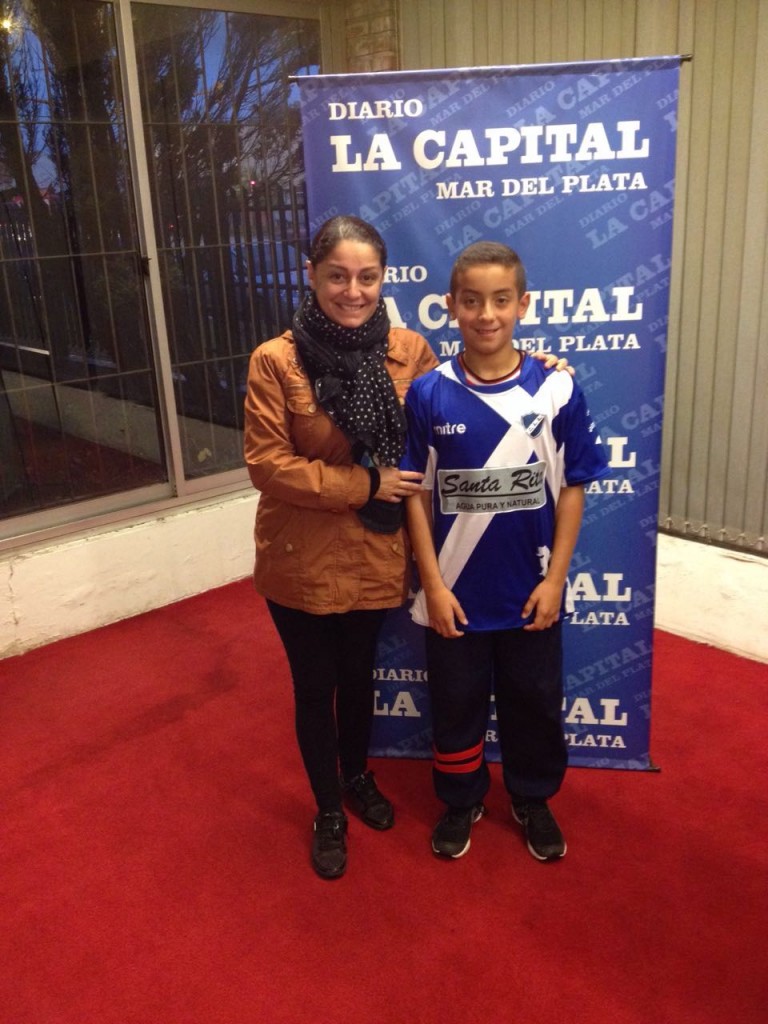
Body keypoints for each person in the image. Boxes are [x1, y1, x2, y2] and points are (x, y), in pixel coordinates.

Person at [403, 240, 610, 863]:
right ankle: (461, 799)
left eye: (500, 300)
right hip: (454, 597)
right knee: (456, 705)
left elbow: (572, 489)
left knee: (535, 703)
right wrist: (433, 586)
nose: (486, 314)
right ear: (451, 306)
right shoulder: (427, 394)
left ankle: (532, 796)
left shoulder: (556, 388)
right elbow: (414, 497)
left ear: (523, 304)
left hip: (530, 593)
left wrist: (556, 581)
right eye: (472, 301)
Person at [243, 215, 437, 880]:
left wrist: (538, 370)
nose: (353, 291)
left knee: (359, 678)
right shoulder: (276, 360)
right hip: (298, 555)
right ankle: (328, 808)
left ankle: (356, 776)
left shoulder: (410, 351)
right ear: (311, 275)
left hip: (376, 552)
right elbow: (268, 465)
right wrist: (366, 483)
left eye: (367, 277)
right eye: (337, 276)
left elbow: (463, 404)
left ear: (383, 279)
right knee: (314, 685)